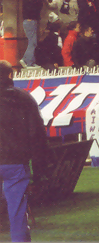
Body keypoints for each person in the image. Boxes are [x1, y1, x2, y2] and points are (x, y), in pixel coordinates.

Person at [0, 60, 49, 242]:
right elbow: (37, 134)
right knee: (17, 211)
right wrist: (39, 170)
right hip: (15, 162)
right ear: (10, 75)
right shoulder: (24, 98)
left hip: (12, 160)